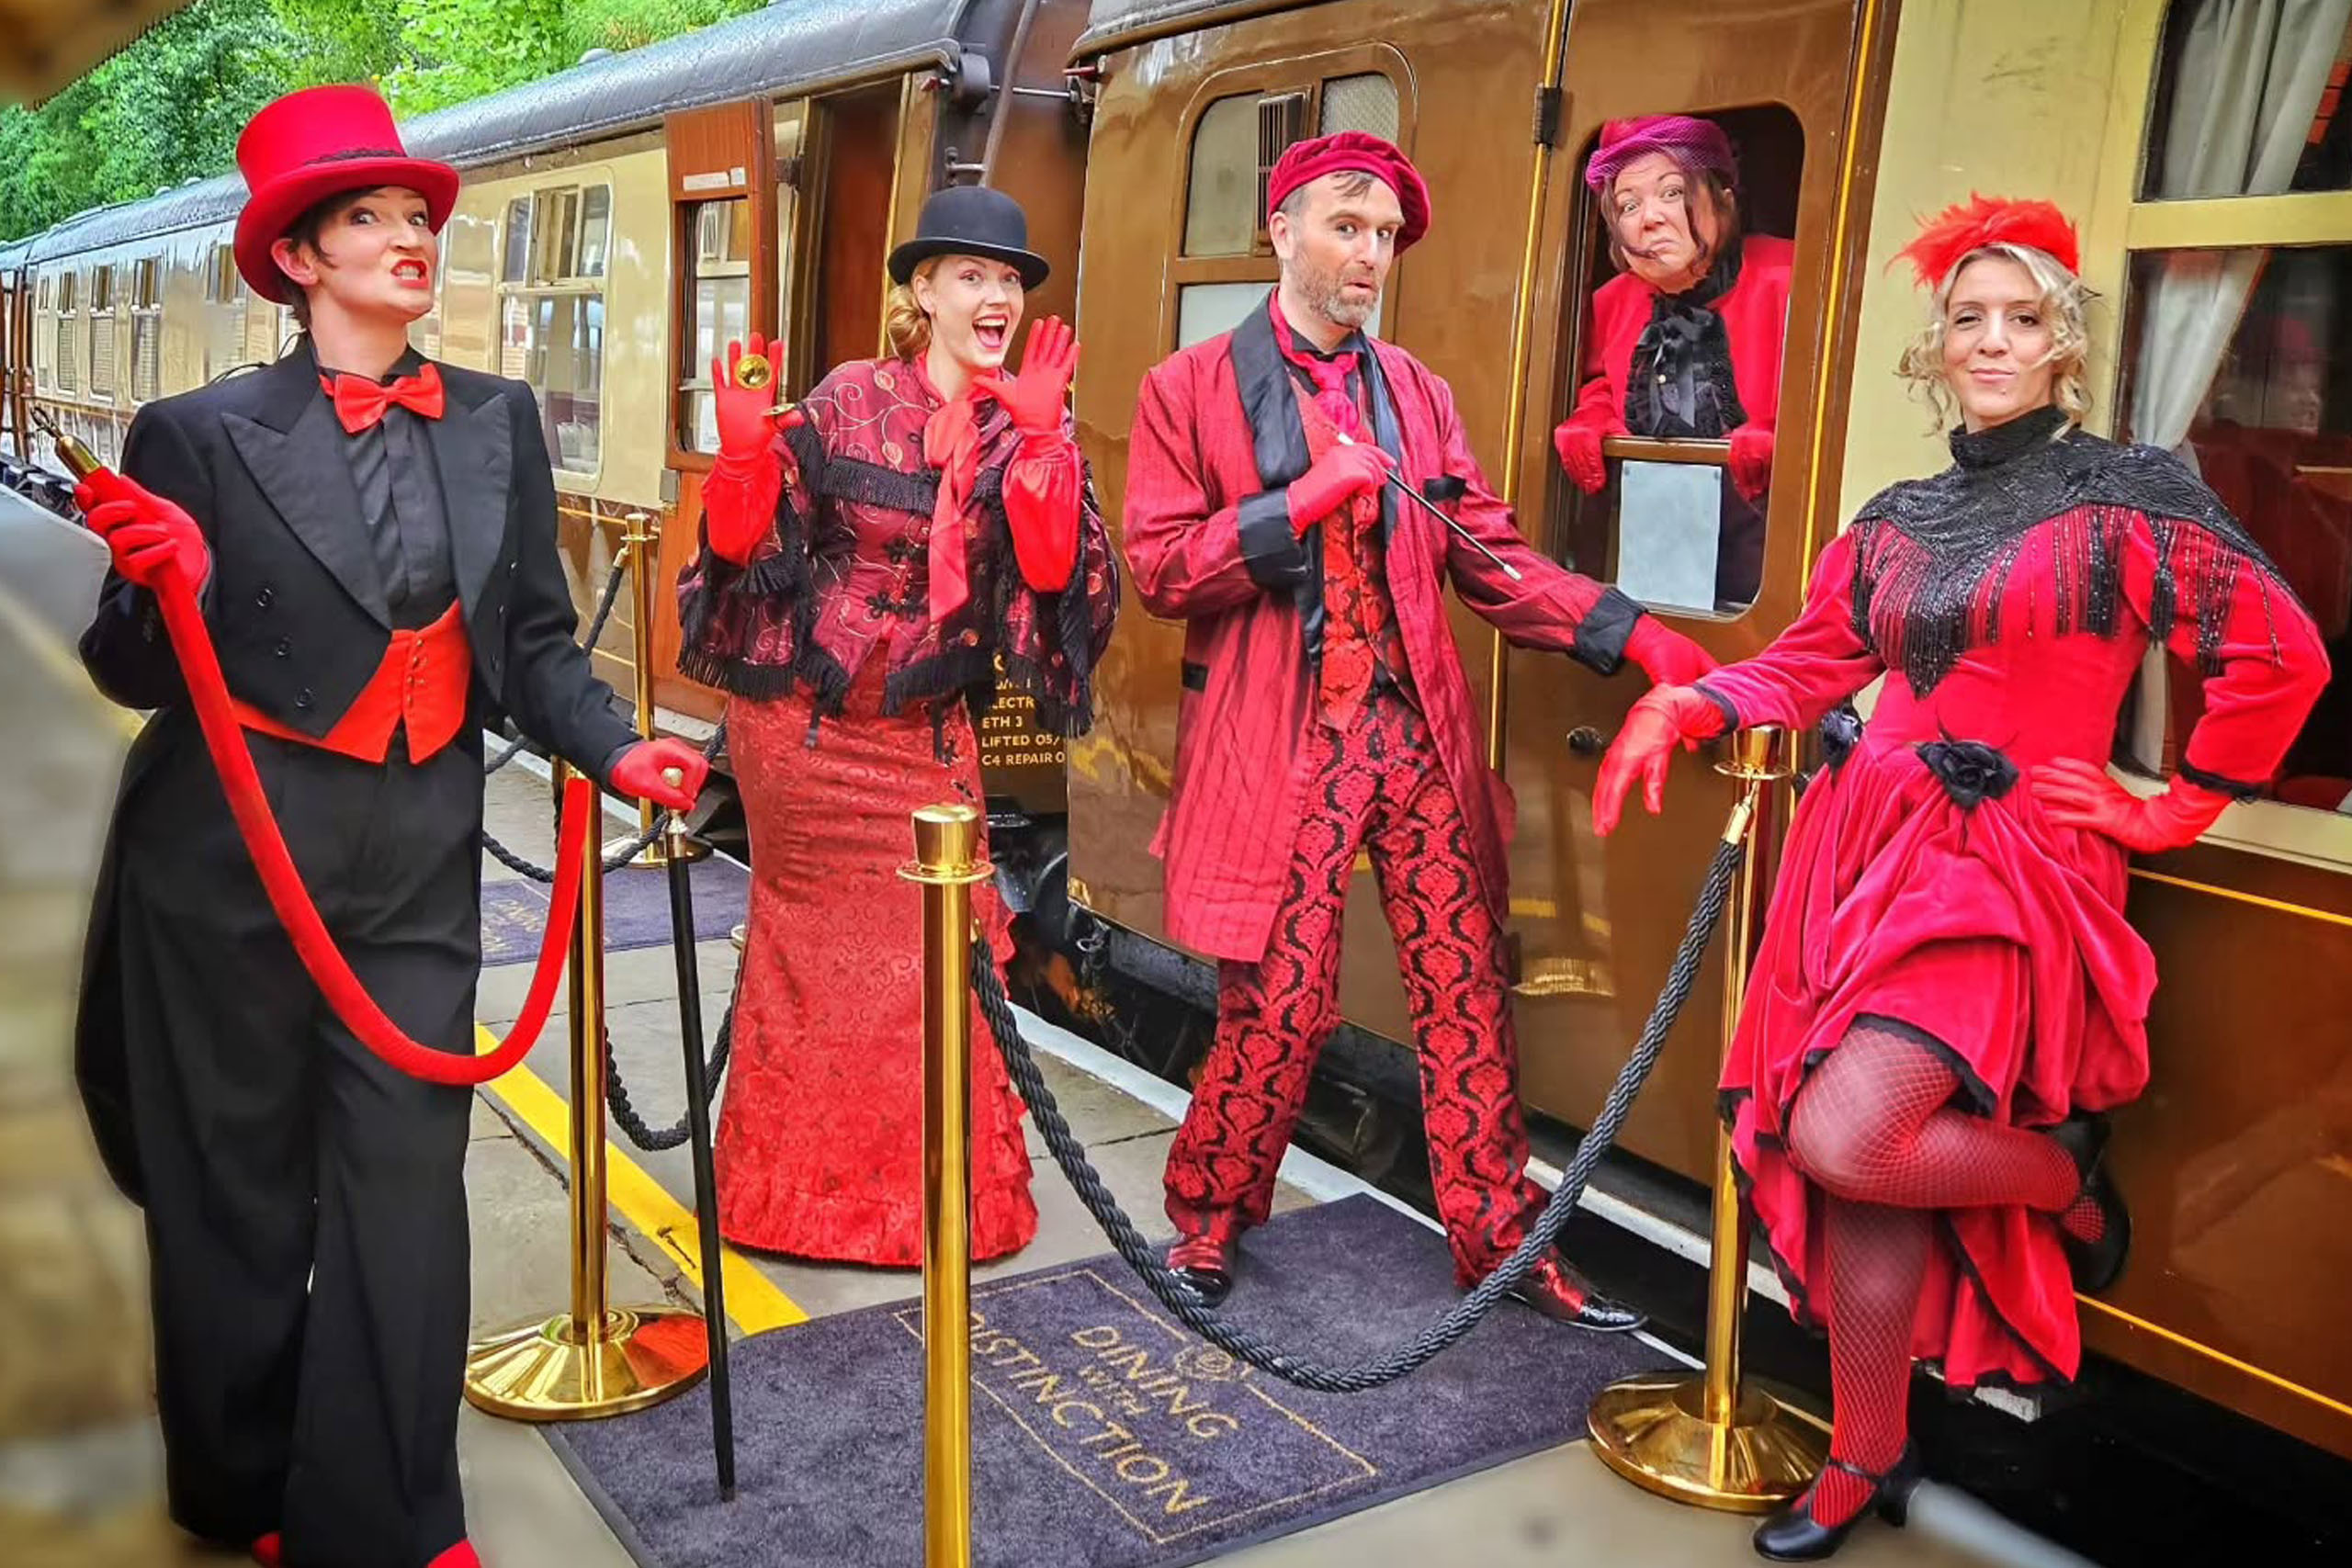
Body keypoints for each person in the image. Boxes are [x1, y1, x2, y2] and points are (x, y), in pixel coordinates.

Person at [1593, 196, 2330, 1560]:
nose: (1994, 340)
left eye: (2023, 319)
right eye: (1968, 318)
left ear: (2064, 344)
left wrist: (2175, 806)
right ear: (1936, 347)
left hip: (2012, 869)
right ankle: (1865, 1448)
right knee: (1865, 1176)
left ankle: (2057, 1177)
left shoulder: (2131, 493)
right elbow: (1812, 663)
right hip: (1867, 858)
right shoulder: (1897, 516)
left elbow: (2280, 650)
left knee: (1850, 1134)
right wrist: (1684, 703)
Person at [71, 86, 708, 1568]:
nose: (410, 237)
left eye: (417, 215)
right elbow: (126, 669)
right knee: (234, 1178)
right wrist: (170, 586)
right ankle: (241, 1481)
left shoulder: (494, 420)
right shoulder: (196, 434)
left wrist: (619, 747)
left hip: (417, 852)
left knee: (405, 1182)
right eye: (368, 217)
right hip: (230, 853)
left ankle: (387, 1519)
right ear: (299, 259)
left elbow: (532, 643)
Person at [1125, 130, 1715, 1327]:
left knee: (1465, 988)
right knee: (1280, 1003)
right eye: (1347, 227)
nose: (1370, 254)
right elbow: (1161, 569)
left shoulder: (1418, 394)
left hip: (1414, 735)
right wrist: (1300, 502)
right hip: (1281, 740)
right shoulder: (1185, 387)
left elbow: (1488, 557)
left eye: (1386, 235)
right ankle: (1208, 1216)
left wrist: (1633, 634)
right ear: (1281, 231)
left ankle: (1500, 1241)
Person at [681, 184, 1119, 1266]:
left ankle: (924, 1202)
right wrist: (742, 456)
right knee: (818, 964)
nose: (996, 297)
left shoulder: (1026, 421)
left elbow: (1056, 576)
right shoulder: (848, 399)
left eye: (1009, 280)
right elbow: (740, 550)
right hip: (803, 733)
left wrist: (1044, 448)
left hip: (925, 737)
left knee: (936, 960)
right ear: (922, 292)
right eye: (971, 276)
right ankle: (793, 1200)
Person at [1553, 115, 1793, 607]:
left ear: (1725, 198)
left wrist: (1782, 434)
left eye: (1671, 193)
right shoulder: (1610, 301)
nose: (1649, 218)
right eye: (1628, 204)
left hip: (1770, 565)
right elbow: (1601, 381)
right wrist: (1592, 417)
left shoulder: (1791, 277)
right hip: (1649, 558)